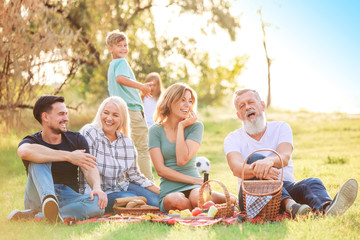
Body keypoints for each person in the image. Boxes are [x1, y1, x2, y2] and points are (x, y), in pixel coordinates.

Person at [224, 89, 358, 217]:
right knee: (255, 158)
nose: (247, 107)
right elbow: (236, 168)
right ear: (238, 115)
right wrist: (260, 169)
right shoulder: (232, 138)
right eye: (242, 106)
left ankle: (327, 209)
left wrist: (268, 162)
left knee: (312, 182)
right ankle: (291, 206)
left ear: (262, 105)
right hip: (251, 195)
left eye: (251, 102)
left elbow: (285, 157)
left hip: (285, 187)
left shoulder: (281, 127)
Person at [7, 95, 107, 223]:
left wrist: (97, 187)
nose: (66, 118)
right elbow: (24, 151)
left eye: (66, 114)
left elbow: (89, 168)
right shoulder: (32, 141)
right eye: (61, 114)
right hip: (39, 196)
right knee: (40, 157)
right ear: (46, 117)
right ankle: (48, 201)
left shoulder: (76, 139)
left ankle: (37, 217)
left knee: (98, 204)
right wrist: (69, 156)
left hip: (68, 196)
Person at [149, 83, 235, 212]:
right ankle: (212, 202)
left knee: (197, 198)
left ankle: (222, 199)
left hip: (195, 186)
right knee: (175, 201)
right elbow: (160, 170)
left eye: (190, 101)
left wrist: (181, 127)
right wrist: (195, 180)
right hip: (171, 188)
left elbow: (182, 160)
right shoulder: (155, 131)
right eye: (182, 100)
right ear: (169, 101)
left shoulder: (196, 126)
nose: (187, 105)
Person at [79, 96, 160, 213]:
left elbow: (135, 176)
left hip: (122, 187)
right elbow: (88, 166)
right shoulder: (90, 132)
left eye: (115, 115)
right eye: (105, 113)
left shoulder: (126, 142)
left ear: (122, 119)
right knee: (131, 198)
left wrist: (160, 191)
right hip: (100, 192)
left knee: (157, 201)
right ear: (100, 114)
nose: (109, 118)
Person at [106, 30, 154, 181]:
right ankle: (149, 183)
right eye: (119, 45)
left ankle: (125, 181)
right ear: (110, 48)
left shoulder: (112, 64)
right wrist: (142, 87)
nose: (123, 49)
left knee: (125, 149)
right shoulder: (121, 63)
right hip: (131, 110)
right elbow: (121, 79)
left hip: (118, 112)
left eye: (125, 45)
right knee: (142, 148)